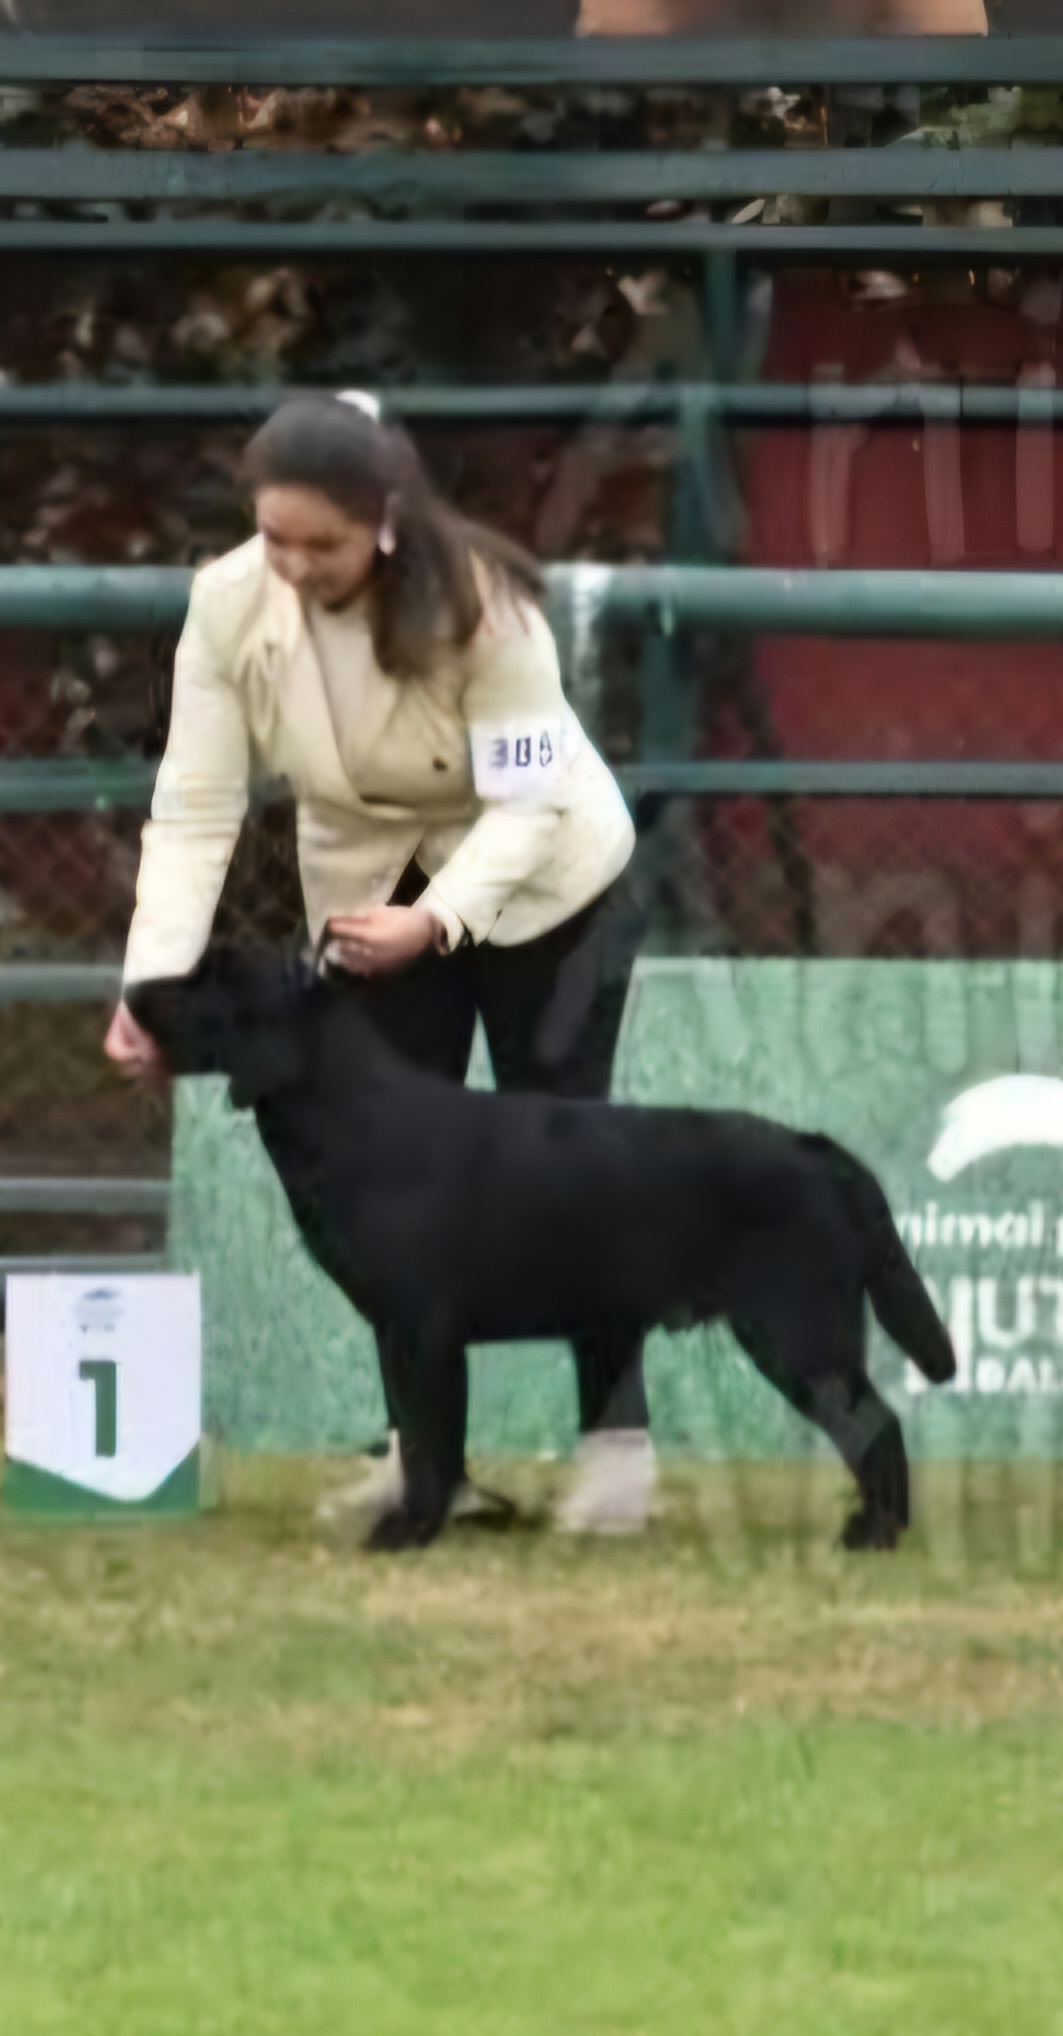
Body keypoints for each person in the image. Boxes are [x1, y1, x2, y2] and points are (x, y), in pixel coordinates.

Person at [105, 393, 656, 1533]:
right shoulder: (224, 606)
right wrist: (146, 989)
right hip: (367, 888)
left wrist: (439, 920)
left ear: (388, 522)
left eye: (326, 544)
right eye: (277, 538)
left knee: (571, 1162)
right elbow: (196, 807)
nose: (296, 566)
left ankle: (615, 1448)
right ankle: (423, 1462)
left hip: (546, 885)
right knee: (387, 1179)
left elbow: (528, 806)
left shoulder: (490, 610)